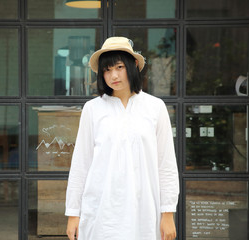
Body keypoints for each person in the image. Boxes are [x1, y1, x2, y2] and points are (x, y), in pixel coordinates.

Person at [65, 36, 179, 240]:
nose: (113, 75)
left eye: (119, 67)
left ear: (134, 64)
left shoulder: (155, 107)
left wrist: (168, 212)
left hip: (144, 211)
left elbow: (166, 164)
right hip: (101, 212)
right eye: (107, 70)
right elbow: (81, 165)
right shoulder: (93, 109)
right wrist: (73, 213)